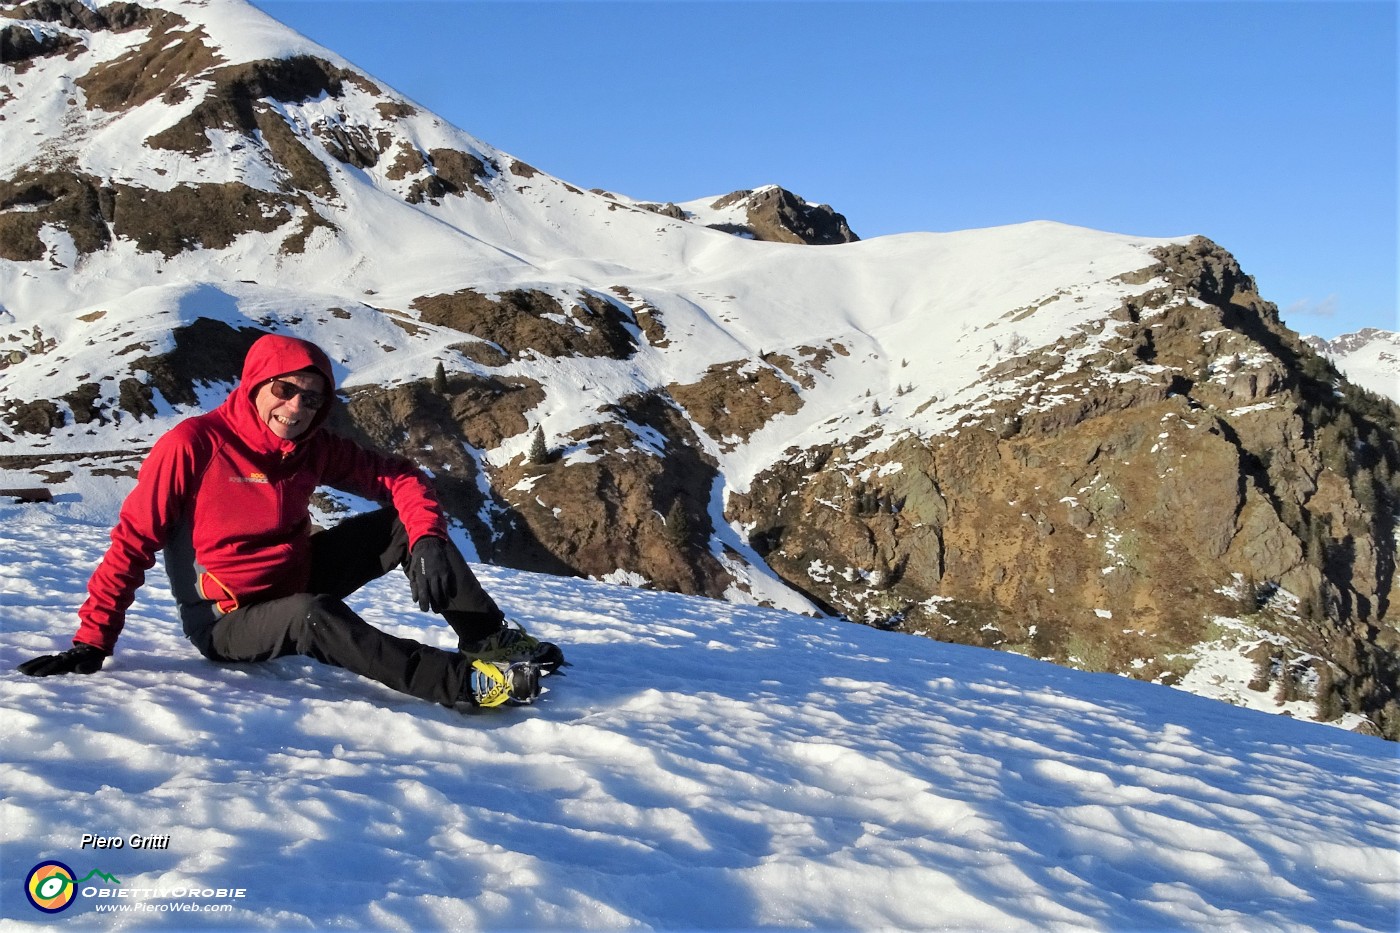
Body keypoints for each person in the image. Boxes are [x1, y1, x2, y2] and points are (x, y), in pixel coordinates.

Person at [17, 333, 562, 709]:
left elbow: (399, 476)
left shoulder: (311, 447)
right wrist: (92, 643)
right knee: (311, 615)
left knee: (399, 527)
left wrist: (428, 538)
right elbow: (132, 544)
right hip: (226, 619)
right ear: (257, 382)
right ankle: (461, 684)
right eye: (285, 389)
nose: (296, 406)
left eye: (312, 397)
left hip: (295, 578)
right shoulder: (195, 445)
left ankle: (489, 640)